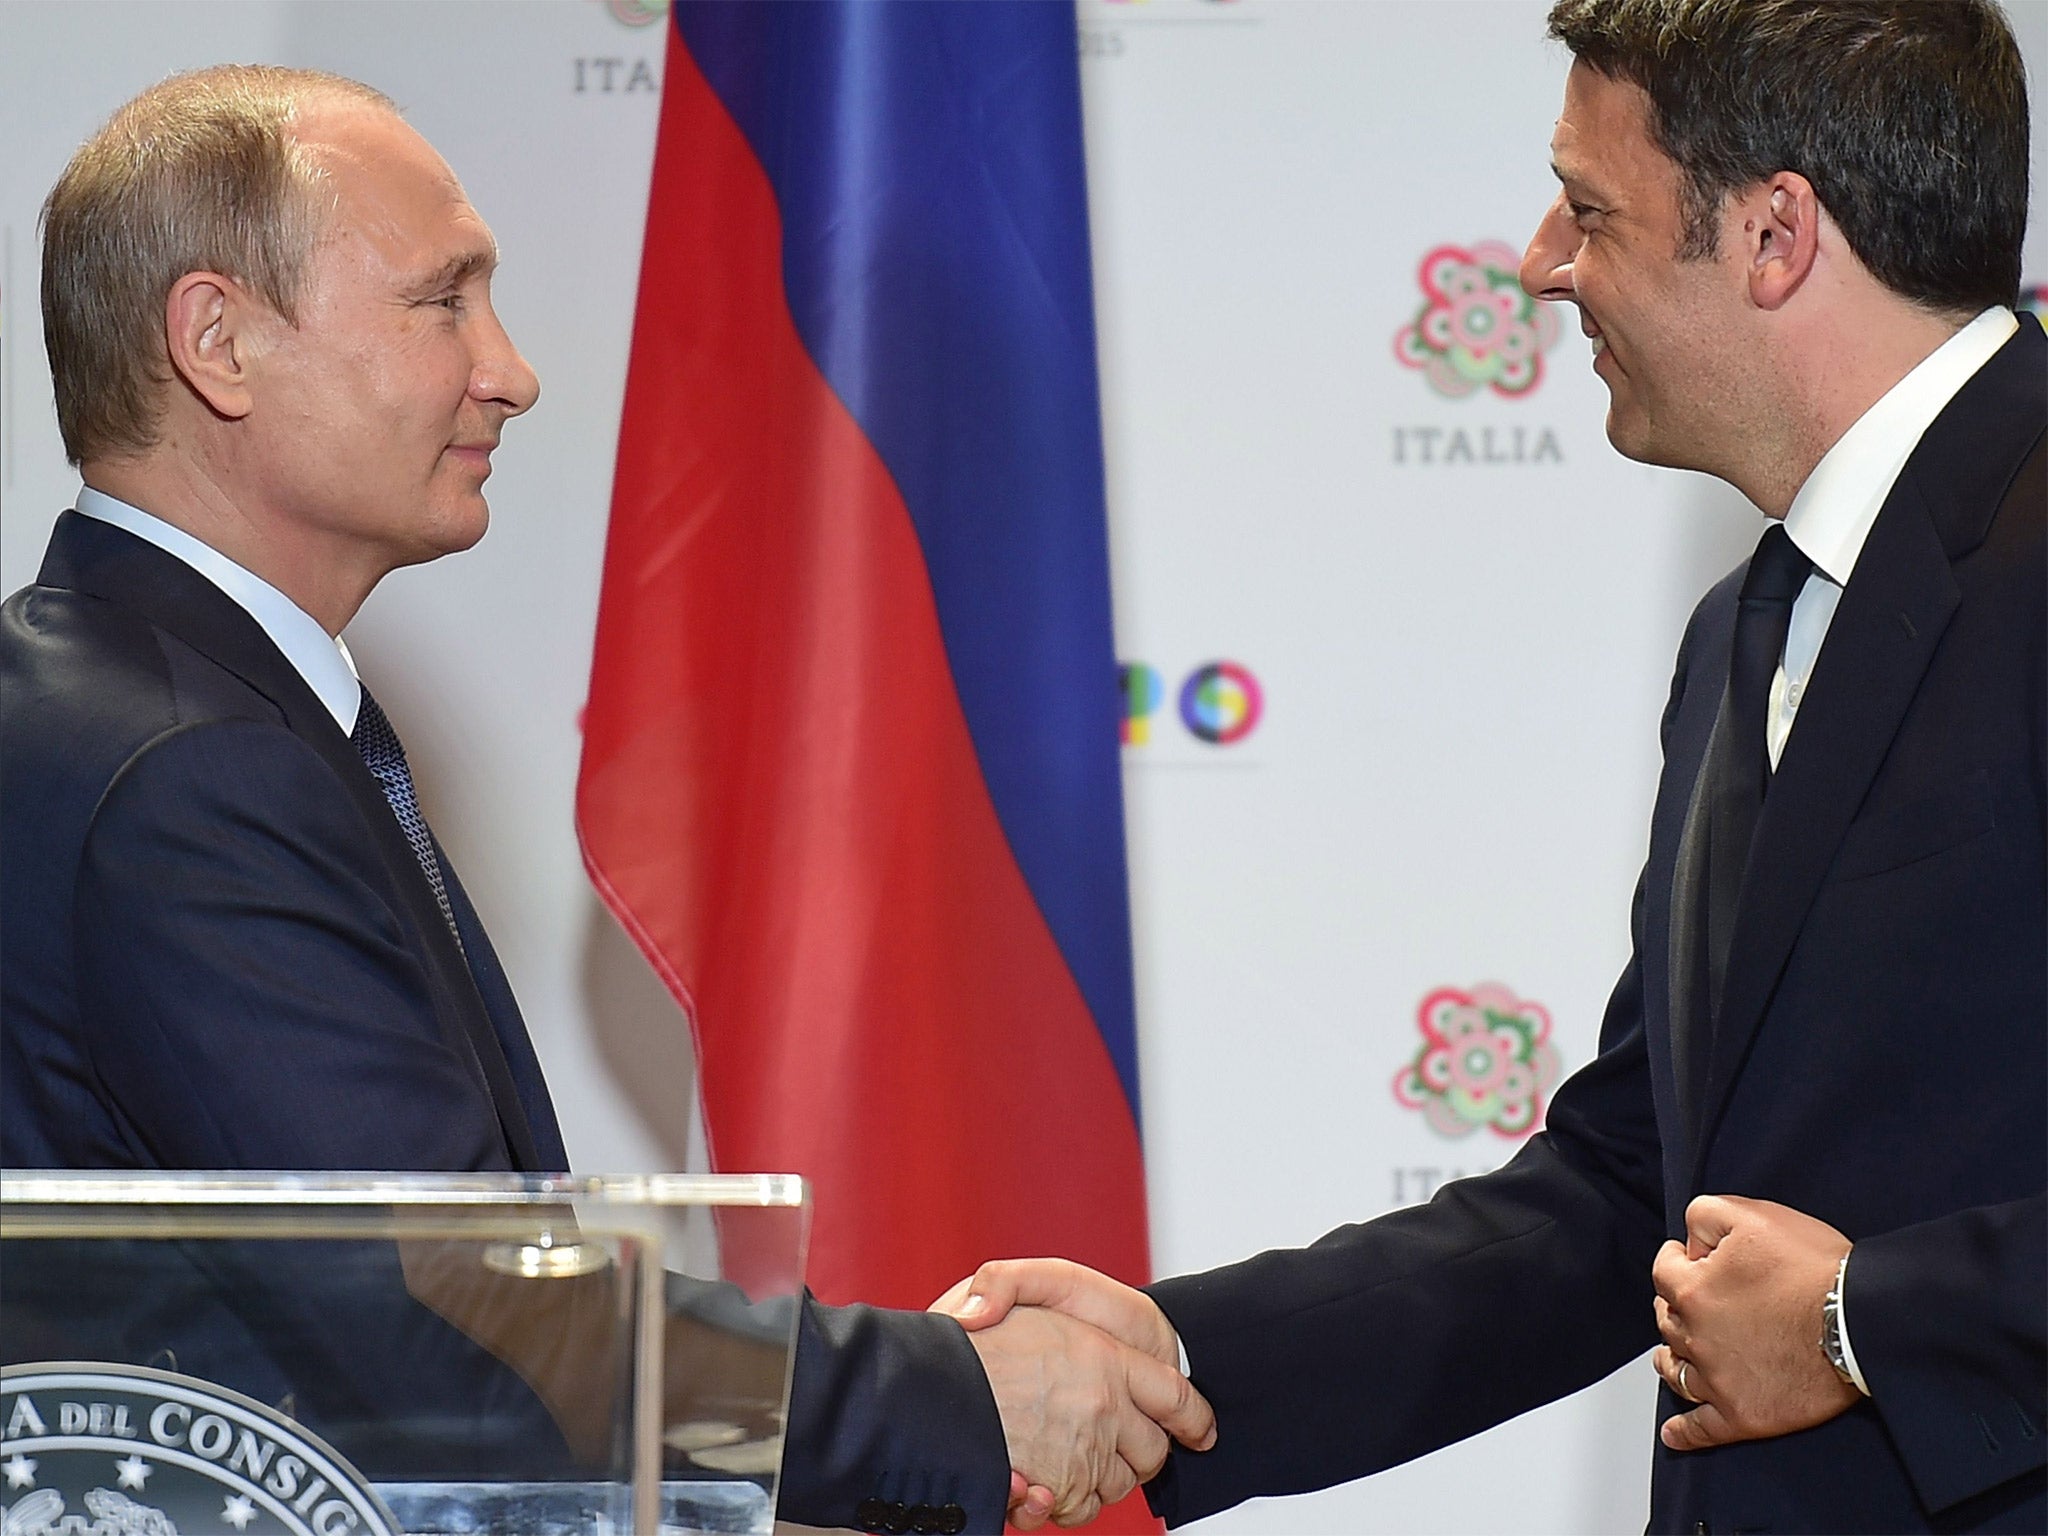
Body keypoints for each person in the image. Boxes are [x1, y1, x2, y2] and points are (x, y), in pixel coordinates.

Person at [0, 65, 1211, 1534]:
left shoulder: (122, 703)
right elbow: (466, 1336)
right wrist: (965, 1399)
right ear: (220, 343)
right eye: (442, 301)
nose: (508, 369)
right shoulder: (188, 769)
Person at [940, 2, 2046, 1531]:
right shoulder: (1756, 618)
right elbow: (1623, 1191)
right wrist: (1181, 1359)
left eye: (1590, 210)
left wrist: (1873, 1322)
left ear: (1776, 234)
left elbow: (1821, 1290)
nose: (1540, 264)